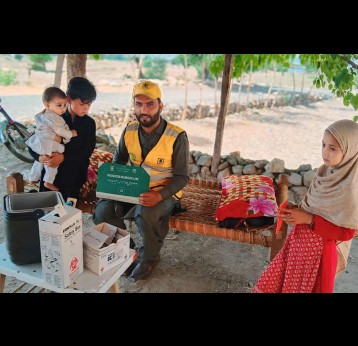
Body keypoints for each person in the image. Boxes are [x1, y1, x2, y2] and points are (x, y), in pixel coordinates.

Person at [93, 79, 190, 282]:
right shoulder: (129, 131)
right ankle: (126, 252)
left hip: (165, 192)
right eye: (138, 104)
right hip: (135, 188)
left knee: (145, 213)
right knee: (103, 210)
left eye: (150, 104)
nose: (143, 110)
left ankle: (149, 257)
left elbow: (182, 177)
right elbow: (118, 161)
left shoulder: (177, 136)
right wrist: (112, 187)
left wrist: (159, 195)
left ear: (160, 106)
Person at [252, 119, 358, 293]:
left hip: (318, 258)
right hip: (297, 247)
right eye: (323, 145)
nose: (325, 152)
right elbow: (313, 207)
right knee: (271, 285)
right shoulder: (324, 174)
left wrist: (308, 219)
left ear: (350, 151)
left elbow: (346, 232)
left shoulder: (351, 187)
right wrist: (297, 210)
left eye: (333, 148)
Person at [28, 77, 97, 201]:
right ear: (69, 99)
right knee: (47, 211)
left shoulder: (89, 123)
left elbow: (87, 151)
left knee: (69, 214)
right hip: (49, 177)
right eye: (82, 104)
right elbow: (34, 141)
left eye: (89, 104)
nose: (86, 108)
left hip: (74, 176)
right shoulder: (50, 117)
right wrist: (39, 157)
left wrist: (63, 157)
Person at [26, 87, 78, 191]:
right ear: (47, 105)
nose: (63, 108)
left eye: (64, 105)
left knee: (42, 159)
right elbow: (59, 130)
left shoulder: (44, 114)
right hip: (46, 142)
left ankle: (33, 178)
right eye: (59, 105)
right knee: (57, 153)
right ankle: (48, 181)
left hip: (39, 143)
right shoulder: (53, 117)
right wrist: (71, 134)